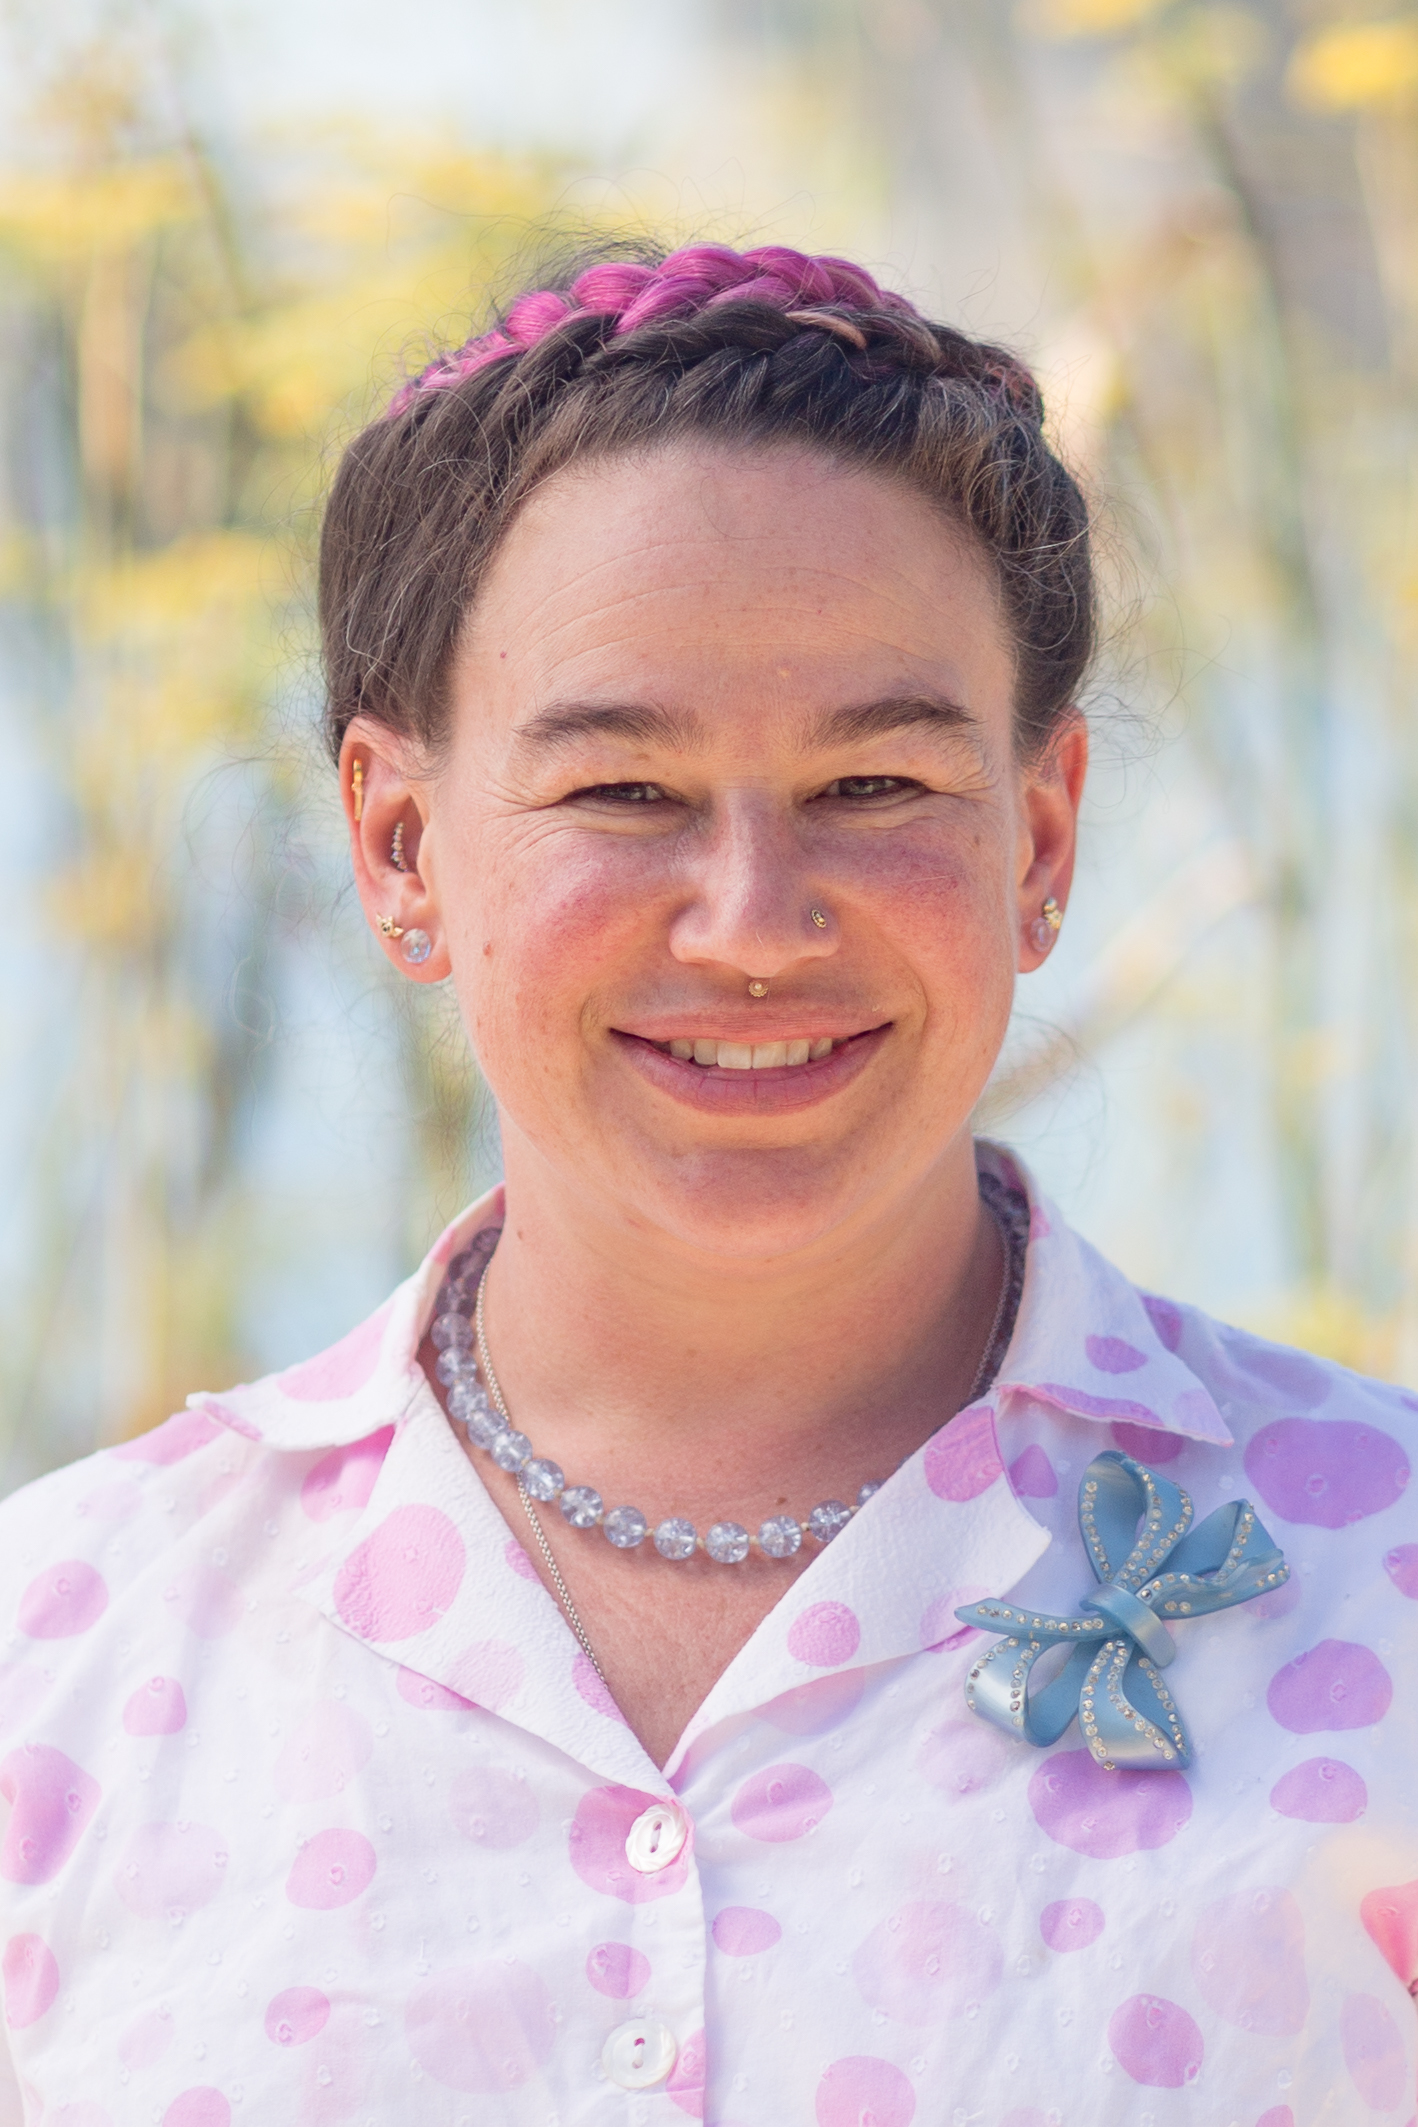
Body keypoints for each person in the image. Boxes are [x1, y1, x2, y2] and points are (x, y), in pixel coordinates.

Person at [0, 241, 1414, 2127]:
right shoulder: (59, 1653)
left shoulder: (1381, 1591)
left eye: (876, 787)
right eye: (622, 792)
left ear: (1037, 839)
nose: (753, 923)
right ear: (400, 845)